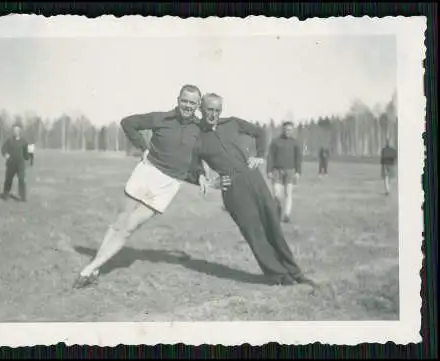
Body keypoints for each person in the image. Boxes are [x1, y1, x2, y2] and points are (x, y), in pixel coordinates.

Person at [73, 84, 208, 289]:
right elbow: (128, 123)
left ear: (198, 105)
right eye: (184, 101)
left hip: (169, 185)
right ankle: (93, 268)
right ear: (178, 99)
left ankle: (91, 267)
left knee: (129, 227)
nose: (188, 106)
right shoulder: (161, 118)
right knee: (119, 223)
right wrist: (143, 147)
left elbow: (196, 156)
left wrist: (201, 174)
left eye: (192, 102)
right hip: (146, 172)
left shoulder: (200, 129)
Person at [189, 93, 318, 288]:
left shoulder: (232, 123)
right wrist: (207, 179)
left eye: (217, 110)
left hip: (254, 179)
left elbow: (260, 133)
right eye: (209, 110)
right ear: (201, 109)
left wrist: (259, 155)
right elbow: (193, 164)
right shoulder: (197, 138)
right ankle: (278, 276)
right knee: (255, 232)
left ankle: (294, 272)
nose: (213, 114)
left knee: (272, 224)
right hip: (233, 189)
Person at [266, 121, 302, 223]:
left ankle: (286, 215)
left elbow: (298, 158)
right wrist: (269, 170)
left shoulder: (295, 143)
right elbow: (270, 157)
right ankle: (277, 213)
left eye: (290, 130)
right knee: (277, 193)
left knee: (288, 193)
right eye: (286, 129)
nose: (288, 131)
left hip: (290, 171)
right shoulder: (276, 141)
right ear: (283, 129)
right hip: (277, 171)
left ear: (292, 130)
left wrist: (298, 172)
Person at [0, 122, 30, 201]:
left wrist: (27, 159)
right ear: (13, 131)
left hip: (20, 164)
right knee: (8, 179)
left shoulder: (23, 141)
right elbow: (3, 149)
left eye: (17, 130)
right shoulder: (9, 140)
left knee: (21, 179)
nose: (16, 132)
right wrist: (5, 154)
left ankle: (22, 197)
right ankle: (6, 194)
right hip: (11, 163)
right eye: (15, 130)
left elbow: (26, 153)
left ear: (19, 131)